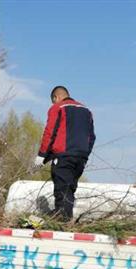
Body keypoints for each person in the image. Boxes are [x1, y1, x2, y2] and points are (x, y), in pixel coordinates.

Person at [35, 85, 96, 220]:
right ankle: (65, 218)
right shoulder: (87, 111)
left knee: (62, 189)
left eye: (53, 101)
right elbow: (91, 137)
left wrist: (42, 155)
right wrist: (85, 154)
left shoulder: (58, 107)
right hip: (80, 158)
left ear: (56, 97)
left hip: (64, 157)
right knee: (70, 190)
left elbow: (50, 132)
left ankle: (61, 220)